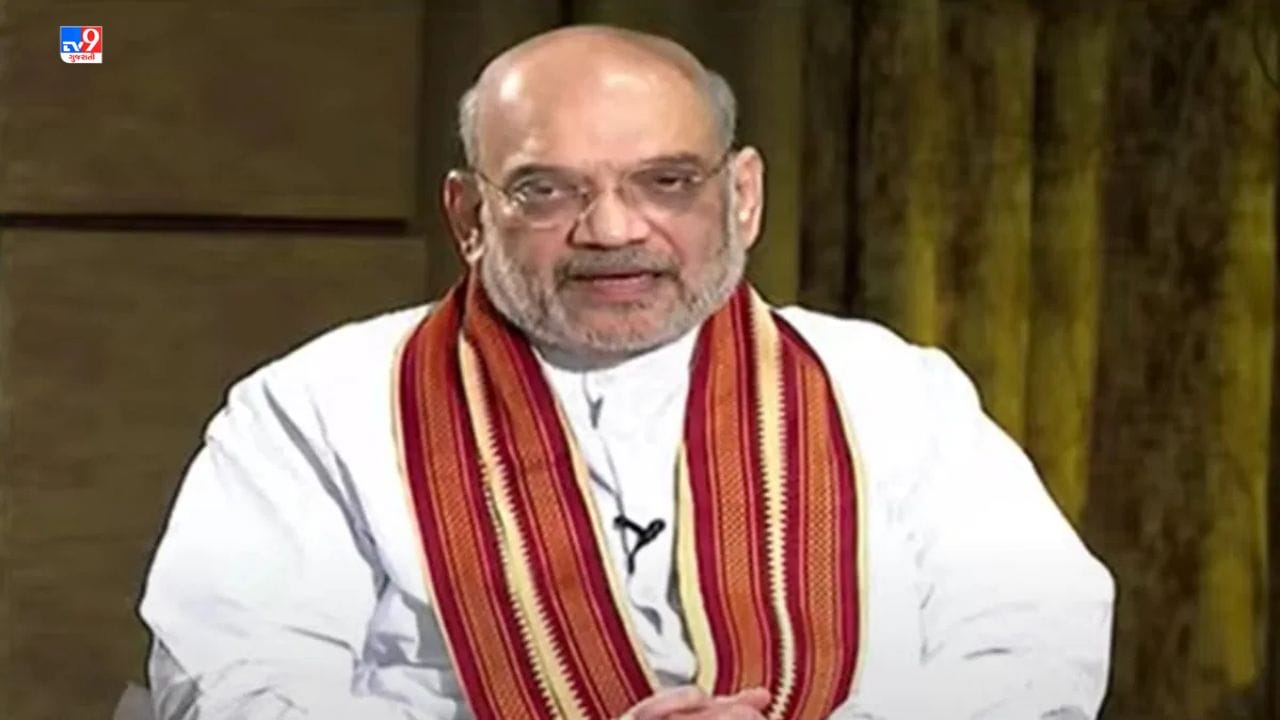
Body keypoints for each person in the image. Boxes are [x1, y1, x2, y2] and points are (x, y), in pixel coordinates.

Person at [139, 24, 1115, 720]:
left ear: (742, 196)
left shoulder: (895, 393)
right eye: (545, 190)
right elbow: (231, 687)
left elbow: (1034, 643)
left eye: (666, 182)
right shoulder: (314, 409)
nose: (610, 230)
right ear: (469, 217)